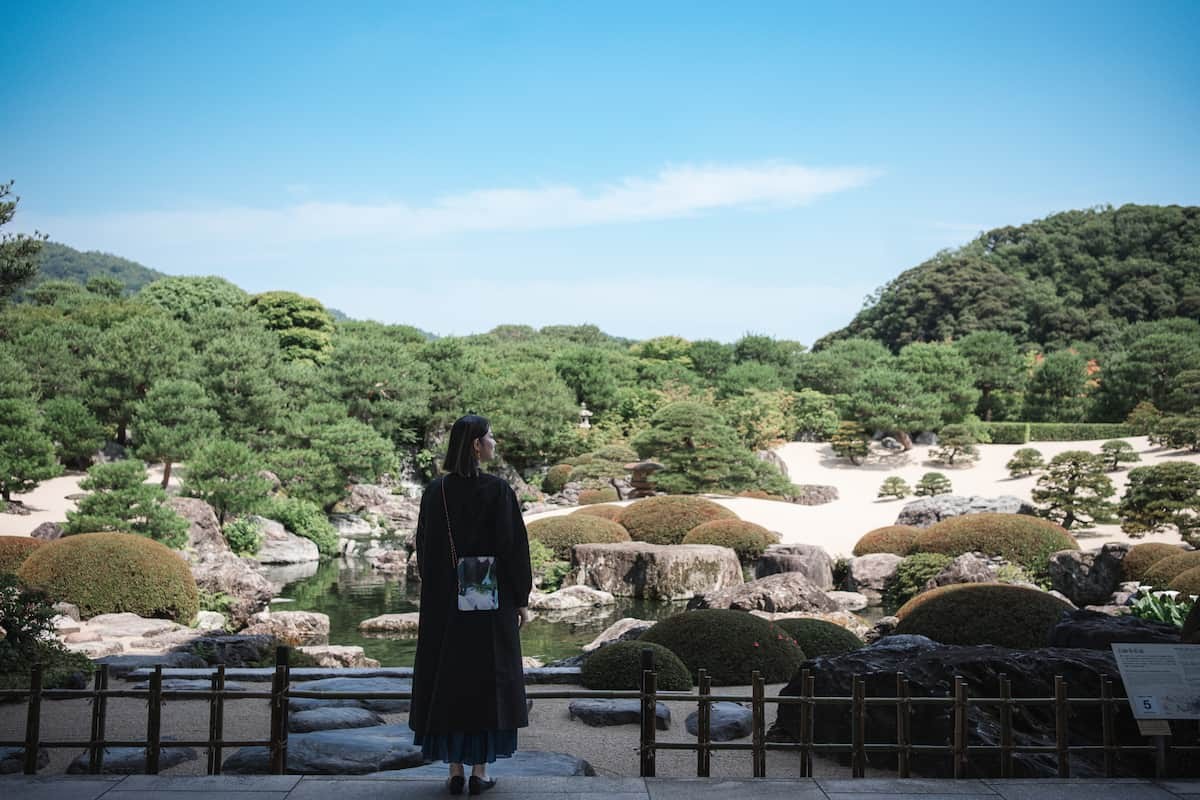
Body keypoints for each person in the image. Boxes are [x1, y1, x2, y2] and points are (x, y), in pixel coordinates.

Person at [409, 414, 533, 796]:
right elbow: (513, 548)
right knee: (486, 682)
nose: (494, 442)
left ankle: (454, 771)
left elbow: (424, 549)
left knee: (449, 680)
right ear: (477, 446)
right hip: (489, 601)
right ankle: (480, 772)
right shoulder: (498, 491)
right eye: (490, 437)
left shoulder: (436, 491)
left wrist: (440, 592)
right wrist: (520, 598)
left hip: (446, 605)